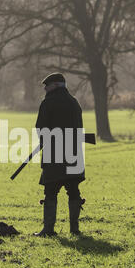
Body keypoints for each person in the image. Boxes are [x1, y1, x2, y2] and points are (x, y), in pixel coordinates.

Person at [34, 73, 86, 237]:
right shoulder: (74, 102)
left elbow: (40, 129)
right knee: (73, 190)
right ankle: (74, 229)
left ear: (56, 85)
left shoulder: (48, 102)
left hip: (54, 155)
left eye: (47, 85)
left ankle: (48, 230)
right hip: (73, 153)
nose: (45, 89)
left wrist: (45, 141)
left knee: (50, 191)